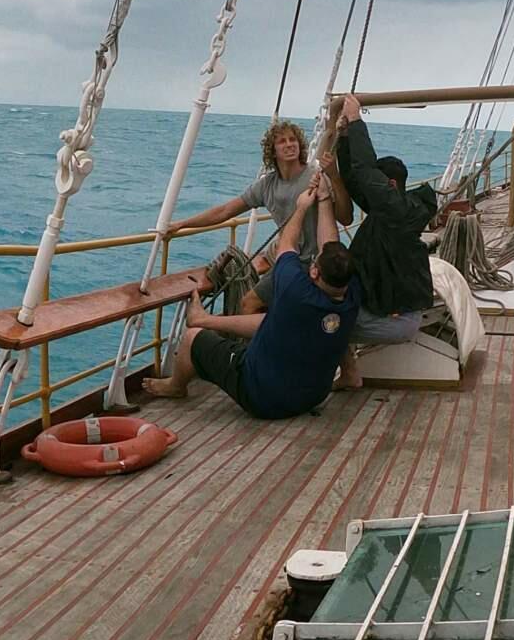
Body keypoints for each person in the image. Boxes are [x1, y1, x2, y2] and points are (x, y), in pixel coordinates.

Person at [145, 175, 359, 419]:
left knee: (192, 338)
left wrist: (300, 208)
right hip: (310, 396)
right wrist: (323, 199)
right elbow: (329, 246)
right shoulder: (351, 294)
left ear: (314, 271)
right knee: (266, 328)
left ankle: (175, 385)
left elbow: (287, 244)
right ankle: (204, 323)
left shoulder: (296, 290)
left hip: (262, 397)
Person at [324, 94, 438, 389]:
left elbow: (365, 171)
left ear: (389, 186)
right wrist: (345, 138)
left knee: (321, 317)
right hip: (388, 309)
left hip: (396, 319)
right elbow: (354, 178)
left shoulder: (397, 213)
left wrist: (357, 119)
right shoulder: (389, 212)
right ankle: (347, 371)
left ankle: (339, 375)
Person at [166, 118, 317, 312]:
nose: (289, 145)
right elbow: (225, 211)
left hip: (313, 261)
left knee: (254, 305)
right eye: (282, 141)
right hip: (289, 260)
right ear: (273, 151)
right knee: (253, 304)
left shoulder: (314, 177)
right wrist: (182, 224)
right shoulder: (266, 185)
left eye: (292, 139)